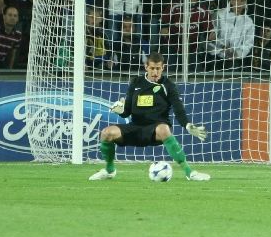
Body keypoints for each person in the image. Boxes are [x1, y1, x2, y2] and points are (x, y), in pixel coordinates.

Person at [89, 52, 211, 181]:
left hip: (156, 129)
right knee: (106, 133)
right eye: (152, 68)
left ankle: (189, 172)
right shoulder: (136, 82)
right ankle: (109, 171)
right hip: (135, 127)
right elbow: (127, 112)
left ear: (163, 68)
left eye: (158, 68)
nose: (155, 72)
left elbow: (178, 107)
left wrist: (187, 125)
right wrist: (120, 111)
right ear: (146, 67)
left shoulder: (168, 85)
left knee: (164, 129)